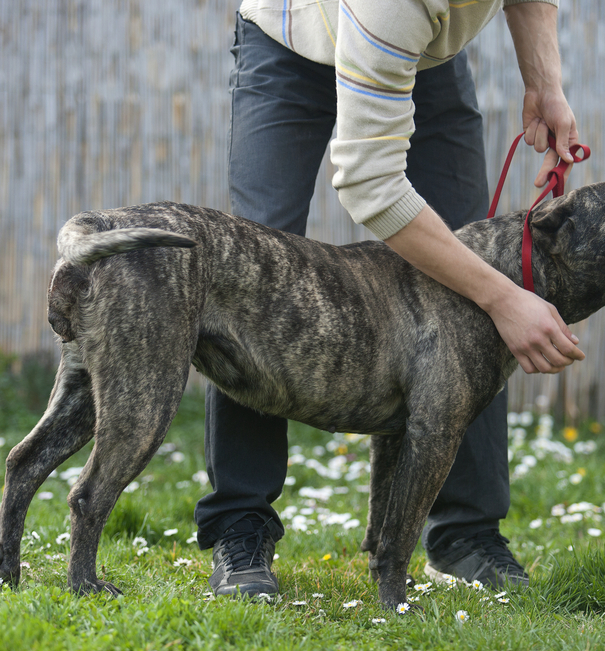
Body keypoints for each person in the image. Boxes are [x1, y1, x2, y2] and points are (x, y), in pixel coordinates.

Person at [195, 0, 585, 597]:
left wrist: (545, 85)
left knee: (470, 262)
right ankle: (240, 525)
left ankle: (465, 533)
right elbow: (369, 183)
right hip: (291, 41)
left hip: (425, 56)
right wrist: (504, 299)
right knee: (255, 277)